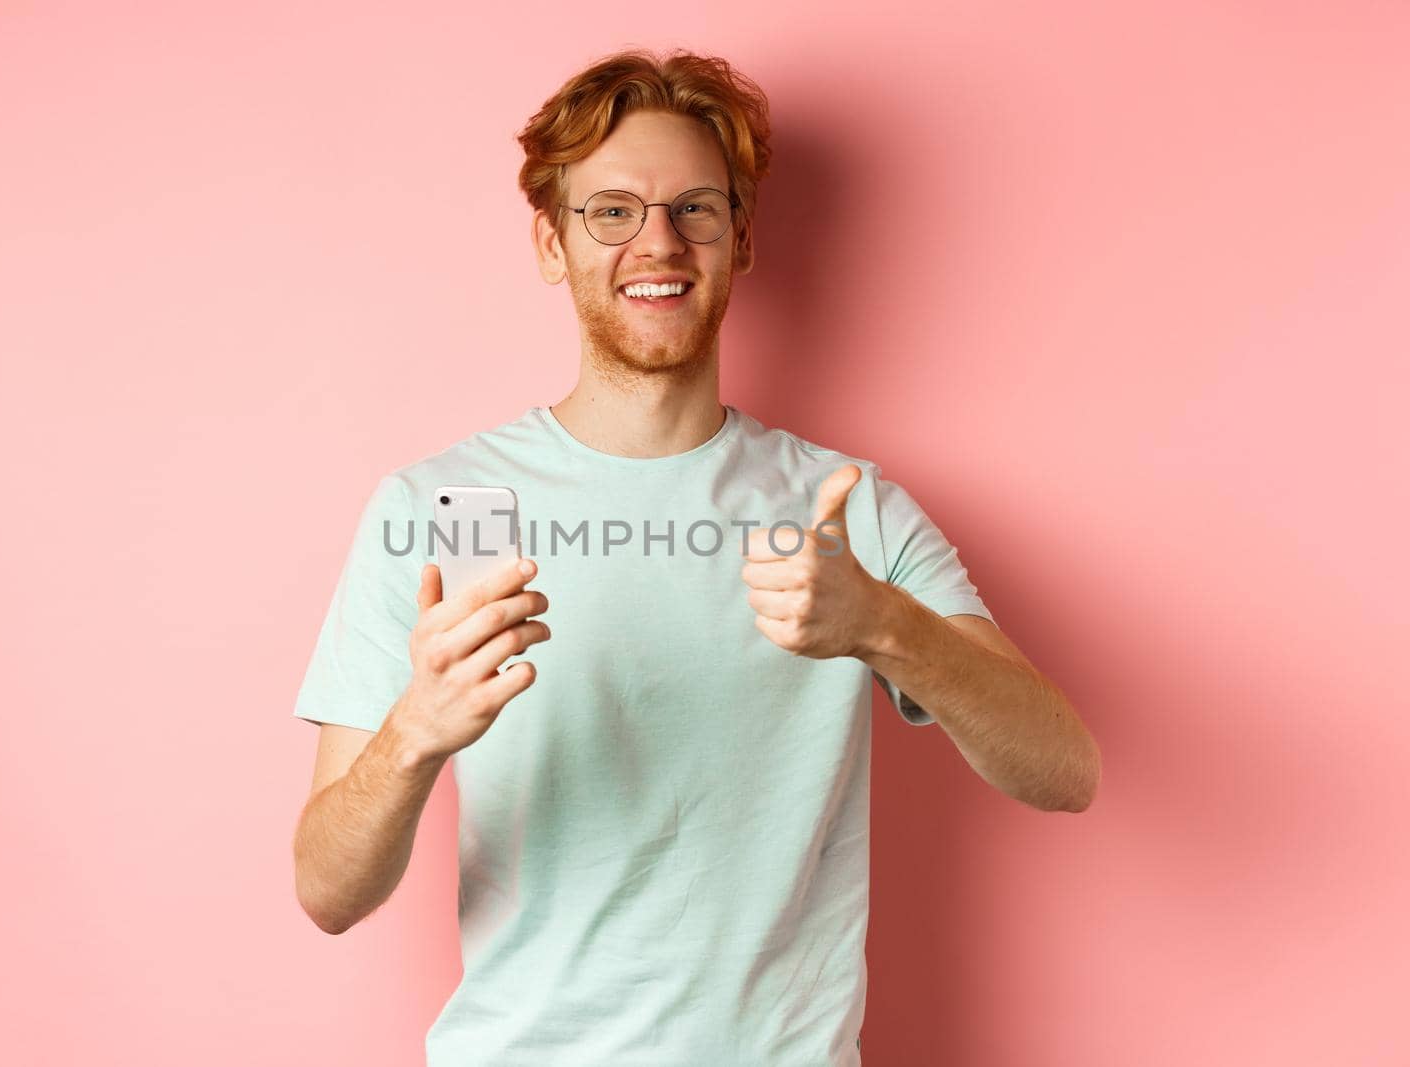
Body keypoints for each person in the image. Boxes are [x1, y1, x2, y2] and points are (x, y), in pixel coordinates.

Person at [290, 47, 1101, 1066]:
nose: (656, 241)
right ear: (552, 242)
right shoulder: (444, 510)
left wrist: (884, 627)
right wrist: (416, 730)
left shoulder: (844, 507)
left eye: (694, 209)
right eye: (611, 211)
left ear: (740, 239)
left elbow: (1063, 769)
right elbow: (326, 890)